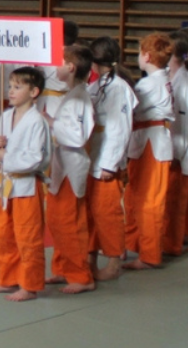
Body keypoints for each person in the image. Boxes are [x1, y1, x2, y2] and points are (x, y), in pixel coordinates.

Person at [0, 66, 52, 302]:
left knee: (28, 237)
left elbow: (36, 158)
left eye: (17, 87)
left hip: (26, 186)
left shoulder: (37, 121)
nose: (11, 91)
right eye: (10, 86)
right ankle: (8, 278)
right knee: (3, 235)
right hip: (6, 185)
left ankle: (30, 285)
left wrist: (5, 155)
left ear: (34, 92)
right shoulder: (5, 116)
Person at [44, 45, 96, 294]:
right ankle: (63, 268)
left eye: (59, 62)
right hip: (60, 163)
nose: (55, 68)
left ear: (70, 67)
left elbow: (78, 137)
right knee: (56, 220)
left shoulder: (79, 98)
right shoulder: (72, 94)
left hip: (71, 163)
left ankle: (81, 276)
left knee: (69, 222)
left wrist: (52, 123)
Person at [86, 36, 136, 281]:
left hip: (106, 158)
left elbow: (120, 130)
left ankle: (115, 261)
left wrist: (110, 163)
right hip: (92, 152)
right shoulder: (95, 86)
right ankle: (90, 257)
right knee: (91, 212)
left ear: (94, 61)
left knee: (108, 212)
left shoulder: (119, 88)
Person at [124, 33, 174, 270]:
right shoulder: (162, 79)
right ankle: (138, 245)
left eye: (139, 53)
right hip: (151, 140)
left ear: (146, 56)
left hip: (150, 144)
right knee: (138, 197)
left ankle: (150, 254)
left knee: (149, 201)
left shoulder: (148, 84)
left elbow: (132, 111)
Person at [163, 34, 188, 256]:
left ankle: (173, 242)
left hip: (181, 148)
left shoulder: (184, 84)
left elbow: (183, 124)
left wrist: (177, 151)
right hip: (176, 146)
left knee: (176, 199)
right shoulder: (172, 79)